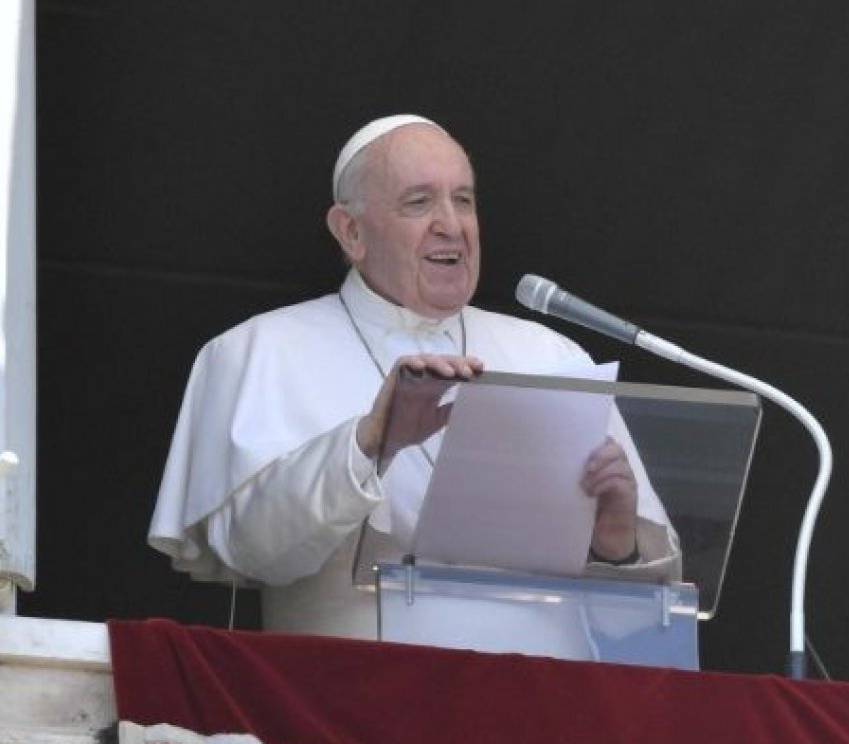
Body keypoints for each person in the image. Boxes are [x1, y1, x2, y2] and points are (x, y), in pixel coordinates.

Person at [148, 115, 681, 642]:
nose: (452, 225)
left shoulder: (548, 354)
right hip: (347, 705)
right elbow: (251, 551)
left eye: (464, 200)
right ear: (351, 231)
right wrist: (370, 444)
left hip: (542, 705)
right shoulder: (257, 351)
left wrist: (617, 545)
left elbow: (636, 625)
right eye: (419, 202)